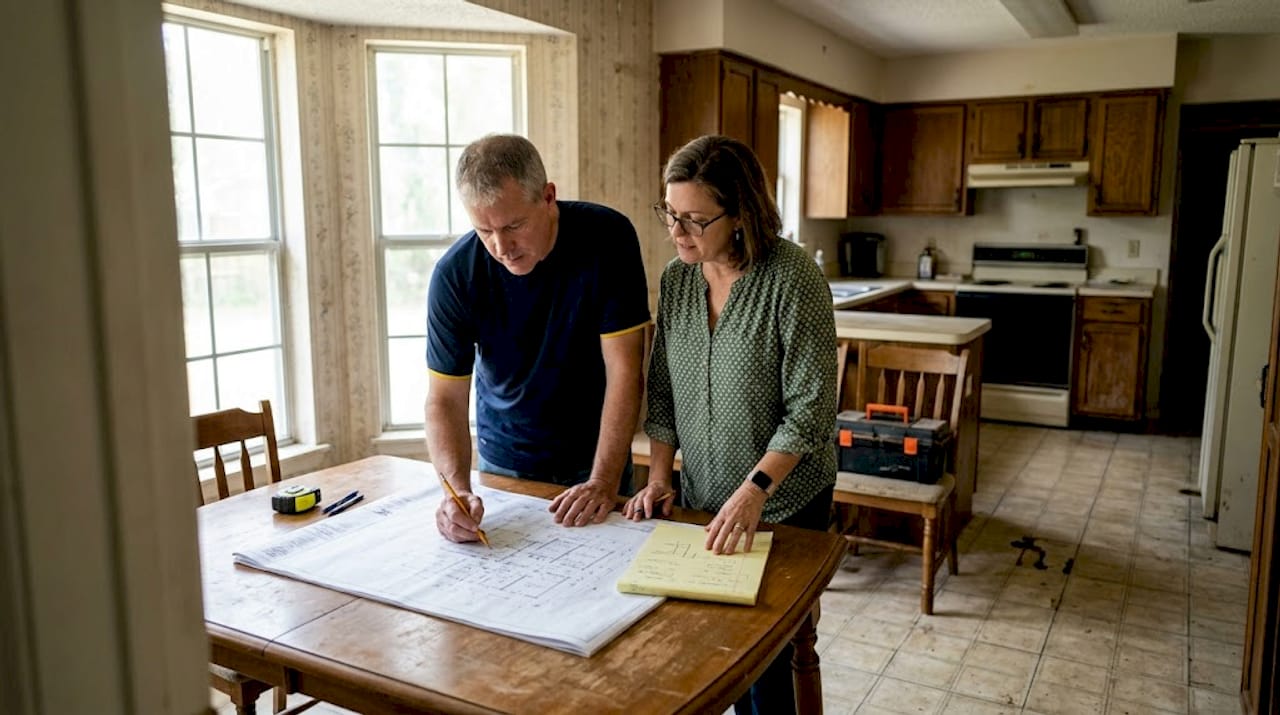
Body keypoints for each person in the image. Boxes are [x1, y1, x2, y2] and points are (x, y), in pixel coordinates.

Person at [622, 134, 837, 715]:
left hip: (785, 501)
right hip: (703, 498)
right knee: (717, 654)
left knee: (766, 668)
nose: (677, 231)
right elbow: (663, 389)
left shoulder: (792, 279)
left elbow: (811, 411)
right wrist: (660, 478)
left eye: (694, 218)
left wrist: (754, 492)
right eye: (670, 214)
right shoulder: (677, 279)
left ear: (741, 213)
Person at [426, 134, 650, 543]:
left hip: (597, 459)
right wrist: (456, 491)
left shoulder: (607, 238)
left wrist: (602, 480)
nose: (501, 247)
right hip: (504, 465)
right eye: (484, 230)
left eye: (514, 226)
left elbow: (625, 371)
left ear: (548, 196)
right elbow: (444, 398)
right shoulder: (455, 275)